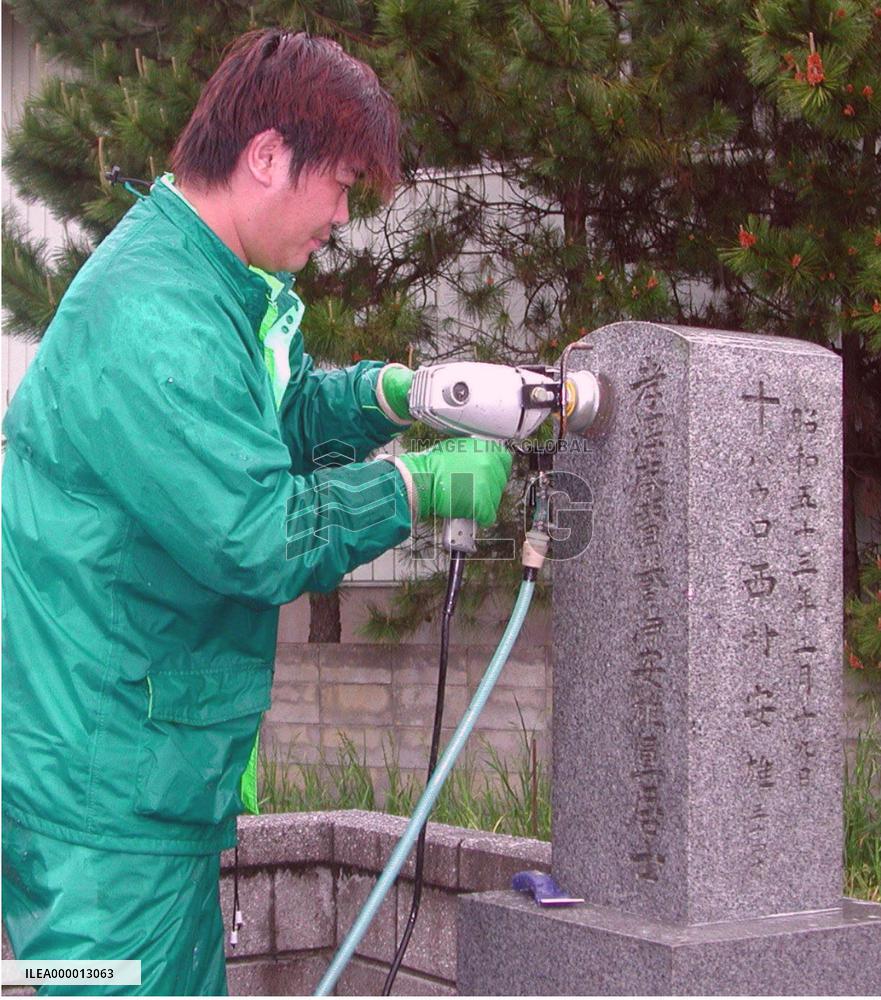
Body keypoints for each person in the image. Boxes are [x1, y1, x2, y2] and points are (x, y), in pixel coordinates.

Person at [1, 28, 512, 996]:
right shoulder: (155, 313)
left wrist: (398, 394)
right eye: (345, 184)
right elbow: (251, 531)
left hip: (133, 777)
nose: (344, 215)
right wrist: (415, 487)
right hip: (101, 798)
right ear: (269, 155)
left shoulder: (206, 289)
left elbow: (266, 425)